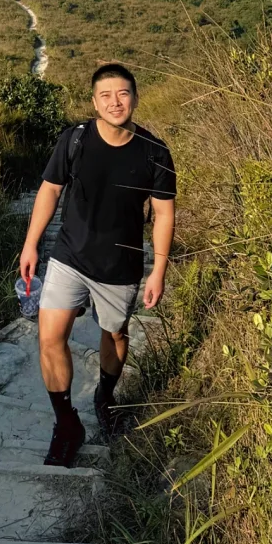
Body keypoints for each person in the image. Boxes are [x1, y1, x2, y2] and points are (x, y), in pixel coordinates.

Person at [19, 63, 176, 467]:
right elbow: (50, 190)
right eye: (105, 95)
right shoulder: (75, 140)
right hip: (70, 255)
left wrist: (158, 269)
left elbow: (162, 214)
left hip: (119, 264)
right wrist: (31, 243)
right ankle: (66, 422)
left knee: (116, 335)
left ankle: (105, 397)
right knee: (50, 337)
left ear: (135, 98)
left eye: (122, 94)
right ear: (93, 102)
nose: (115, 102)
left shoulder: (155, 153)